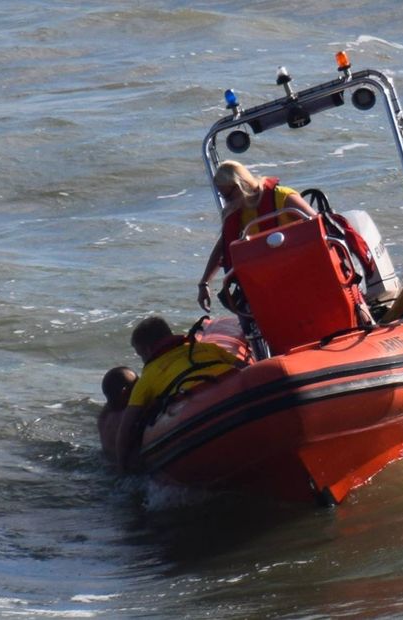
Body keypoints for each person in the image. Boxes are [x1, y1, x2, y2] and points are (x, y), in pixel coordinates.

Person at [115, 316, 241, 470]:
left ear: (147, 350)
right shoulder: (207, 348)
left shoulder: (147, 377)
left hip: (196, 418)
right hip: (236, 396)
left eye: (141, 355)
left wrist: (122, 465)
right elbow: (246, 367)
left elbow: (127, 426)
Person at [197, 160, 317, 311]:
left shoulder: (282, 197)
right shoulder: (239, 213)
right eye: (224, 197)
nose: (228, 202)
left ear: (241, 184)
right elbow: (223, 245)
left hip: (302, 272)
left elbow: (319, 224)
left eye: (228, 195)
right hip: (266, 282)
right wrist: (204, 283)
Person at [97, 366, 137, 464]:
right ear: (124, 392)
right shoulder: (127, 415)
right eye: (137, 385)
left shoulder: (103, 417)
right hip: (126, 470)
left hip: (107, 464)